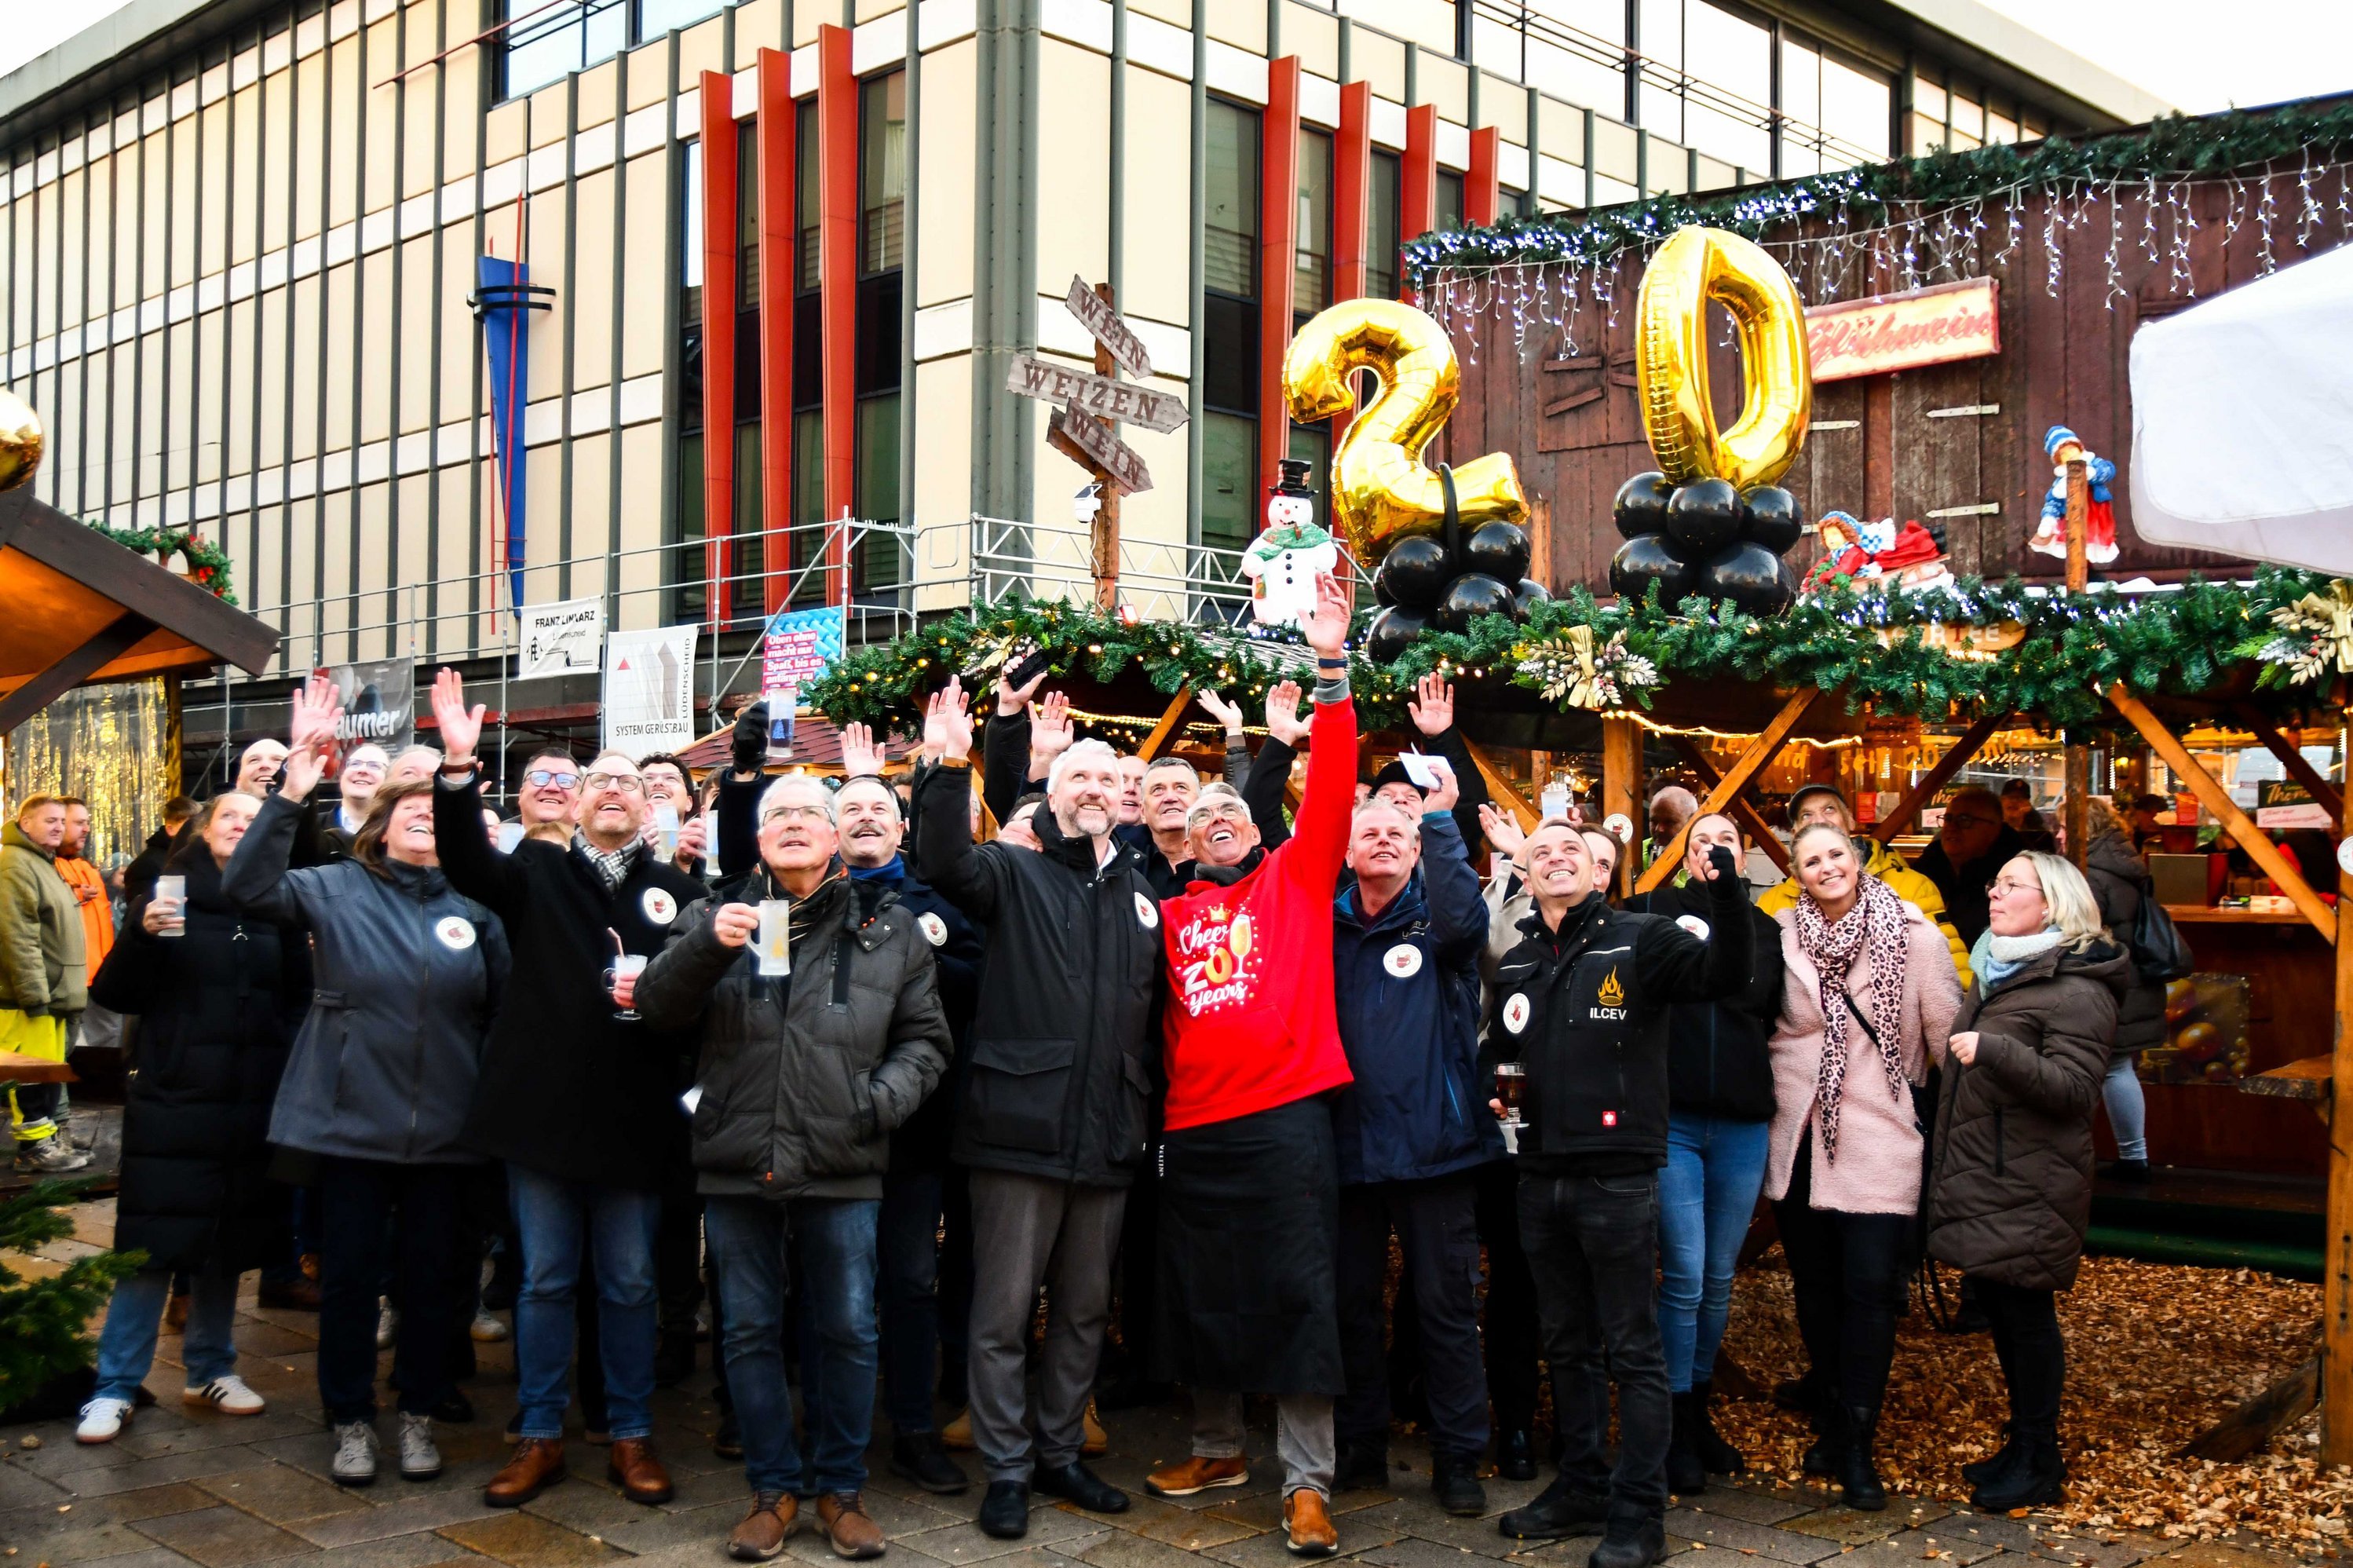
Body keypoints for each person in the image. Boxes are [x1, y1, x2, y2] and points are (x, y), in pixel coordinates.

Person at [632, 773, 952, 1561]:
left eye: (813, 811)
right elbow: (655, 1007)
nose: (797, 823)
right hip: (738, 1155)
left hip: (843, 1155)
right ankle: (773, 1488)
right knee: (746, 1330)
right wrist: (710, 946)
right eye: (779, 814)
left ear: (838, 835)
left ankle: (841, 1490)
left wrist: (876, 1102)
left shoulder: (890, 926)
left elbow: (927, 1039)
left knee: (848, 1325)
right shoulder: (719, 915)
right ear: (758, 837)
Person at [425, 671, 707, 1511]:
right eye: (599, 780)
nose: (614, 789)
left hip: (635, 1120)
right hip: (541, 1117)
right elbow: (463, 858)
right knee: (544, 1280)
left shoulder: (679, 892)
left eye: (629, 780)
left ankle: (628, 1431)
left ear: (650, 808)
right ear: (575, 803)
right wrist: (457, 765)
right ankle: (540, 1430)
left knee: (628, 1282)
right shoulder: (532, 872)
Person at [222, 676, 510, 1489]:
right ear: (379, 828)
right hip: (348, 1124)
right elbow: (244, 886)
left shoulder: (476, 908)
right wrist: (293, 789)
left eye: (433, 810)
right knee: (348, 1280)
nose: (422, 817)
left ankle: (416, 1411)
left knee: (428, 1282)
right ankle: (350, 1416)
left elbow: (500, 1011)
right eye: (406, 810)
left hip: (446, 1131)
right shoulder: (332, 888)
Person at [914, 678, 1162, 1541]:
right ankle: (1009, 1466)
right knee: (1003, 1312)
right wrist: (948, 763)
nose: (1094, 791)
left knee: (1086, 1310)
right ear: (1052, 795)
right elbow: (942, 861)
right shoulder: (1011, 870)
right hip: (1018, 1131)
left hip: (1106, 1134)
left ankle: (1061, 1451)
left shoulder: (1140, 894)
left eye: (1107, 782)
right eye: (1078, 781)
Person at [1142, 574, 1355, 1559]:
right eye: (1200, 815)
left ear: (1261, 826)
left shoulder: (1299, 878)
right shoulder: (1172, 912)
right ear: (1182, 841)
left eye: (1232, 806)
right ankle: (1218, 1447)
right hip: (1192, 1129)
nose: (1216, 816)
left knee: (1299, 1292)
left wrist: (1328, 667)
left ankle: (1309, 1482)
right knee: (1202, 1291)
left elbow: (1339, 780)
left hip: (1285, 1117)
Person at [1485, 820, 1752, 1567]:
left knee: (1632, 1350)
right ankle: (1579, 1485)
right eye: (1539, 853)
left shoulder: (1644, 938)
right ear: (1526, 877)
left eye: (1570, 849)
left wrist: (1724, 891)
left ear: (1599, 873)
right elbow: (1496, 1056)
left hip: (1617, 1174)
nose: (1555, 858)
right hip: (1538, 1176)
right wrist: (1494, 1094)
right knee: (1566, 1344)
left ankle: (1639, 1515)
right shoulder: (1520, 960)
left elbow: (1727, 974)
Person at [75, 792, 308, 1443]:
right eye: (229, 815)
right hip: (175, 1097)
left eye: (253, 819)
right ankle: (115, 1385)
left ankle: (210, 1367)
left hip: (250, 1097)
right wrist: (143, 937)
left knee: (225, 1241)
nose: (242, 824)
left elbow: (298, 998)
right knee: (151, 1244)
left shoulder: (275, 904)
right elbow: (116, 993)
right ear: (199, 832)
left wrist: (283, 1072)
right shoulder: (166, 893)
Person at [1763, 821, 1961, 1513]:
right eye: (1811, 860)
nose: (1826, 867)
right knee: (1815, 1290)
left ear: (1858, 858)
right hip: (1799, 1138)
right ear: (1797, 873)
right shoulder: (1782, 937)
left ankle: (1856, 1444)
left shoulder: (1915, 936)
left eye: (1835, 855)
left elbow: (1945, 1042)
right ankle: (1832, 1418)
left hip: (1879, 1136)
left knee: (1871, 1293)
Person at [1927, 850, 2123, 1511]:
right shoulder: (1997, 971)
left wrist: (1998, 1050)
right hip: (1989, 1172)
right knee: (2003, 1317)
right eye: (1994, 882)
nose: (1994, 892)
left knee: (2026, 1317)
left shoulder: (2078, 987)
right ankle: (2021, 1446)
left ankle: (2041, 1458)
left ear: (2052, 904)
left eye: (2011, 885)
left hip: (2031, 1180)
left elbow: (2073, 1090)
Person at [1329, 761, 1496, 1517]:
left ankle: (1458, 1456)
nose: (1383, 842)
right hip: (1346, 1151)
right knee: (1350, 1308)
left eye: (1396, 833)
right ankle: (1359, 1445)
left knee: (1445, 1309)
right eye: (1370, 832)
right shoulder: (1324, 925)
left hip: (1436, 1149)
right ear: (1348, 850)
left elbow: (1470, 924)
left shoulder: (1441, 922)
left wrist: (1438, 822)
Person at [829, 729, 986, 1495]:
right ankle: (831, 1428)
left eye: (878, 807)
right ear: (834, 829)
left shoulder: (941, 899)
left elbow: (976, 978)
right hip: (822, 1124)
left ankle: (914, 1429)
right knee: (828, 1280)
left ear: (900, 828)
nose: (865, 817)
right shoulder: (792, 897)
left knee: (911, 1278)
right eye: (850, 807)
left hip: (918, 1126)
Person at [1619, 813, 1784, 1493]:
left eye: (1726, 841)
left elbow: (1772, 1014)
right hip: (1676, 1120)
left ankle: (1700, 1410)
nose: (1712, 850)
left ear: (1744, 856)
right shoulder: (1652, 914)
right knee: (1683, 1273)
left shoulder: (1767, 930)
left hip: (1743, 1121)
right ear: (1679, 855)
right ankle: (1672, 1424)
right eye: (1698, 842)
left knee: (1718, 1276)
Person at [1759, 784, 1971, 986]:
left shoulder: (1912, 886)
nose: (1819, 821)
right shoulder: (1774, 903)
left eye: (1829, 809)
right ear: (1795, 834)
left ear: (1850, 820)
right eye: (1807, 815)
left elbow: (1952, 970)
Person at [0, 795, 91, 1172]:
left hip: (52, 995)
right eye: (49, 820)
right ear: (25, 824)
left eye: (61, 820)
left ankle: (46, 1142)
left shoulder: (42, 862)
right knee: (32, 1077)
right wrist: (34, 995)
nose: (58, 826)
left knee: (48, 1074)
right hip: (31, 999)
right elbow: (17, 935)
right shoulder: (14, 863)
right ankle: (34, 1149)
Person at [2081, 799, 2165, 1182]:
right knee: (2119, 1067)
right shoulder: (2124, 862)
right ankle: (2134, 1155)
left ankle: (2131, 1159)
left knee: (2112, 1067)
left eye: (2065, 827)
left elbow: (2080, 931)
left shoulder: (2092, 875)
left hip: (2111, 983)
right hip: (2132, 980)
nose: (2058, 834)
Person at [1911, 787, 2026, 947]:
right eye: (1948, 819)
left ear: (1995, 827)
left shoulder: (2015, 876)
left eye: (1964, 820)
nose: (1952, 827)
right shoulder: (1929, 863)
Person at [55, 799, 115, 981]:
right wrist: (74, 895)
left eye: (87, 823)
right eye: (79, 823)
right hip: (72, 981)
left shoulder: (87, 867)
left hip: (102, 978)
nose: (87, 829)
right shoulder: (45, 866)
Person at [125, 796, 198, 901]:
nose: (195, 832)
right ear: (170, 829)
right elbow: (140, 910)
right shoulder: (146, 864)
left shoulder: (196, 856)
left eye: (198, 825)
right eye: (189, 827)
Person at [325, 744, 391, 853]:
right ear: (341, 774)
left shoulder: (395, 835)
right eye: (354, 764)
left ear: (388, 780)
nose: (362, 770)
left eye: (375, 766)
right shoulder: (309, 826)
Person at [515, 751, 586, 846]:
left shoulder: (602, 855)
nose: (552, 787)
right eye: (540, 778)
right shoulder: (491, 849)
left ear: (580, 801)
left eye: (566, 781)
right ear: (521, 794)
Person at [2000, 780, 2057, 853]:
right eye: (2011, 797)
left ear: (2028, 804)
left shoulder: (2041, 836)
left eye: (2020, 798)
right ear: (2001, 800)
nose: (2014, 802)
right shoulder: (1993, 831)